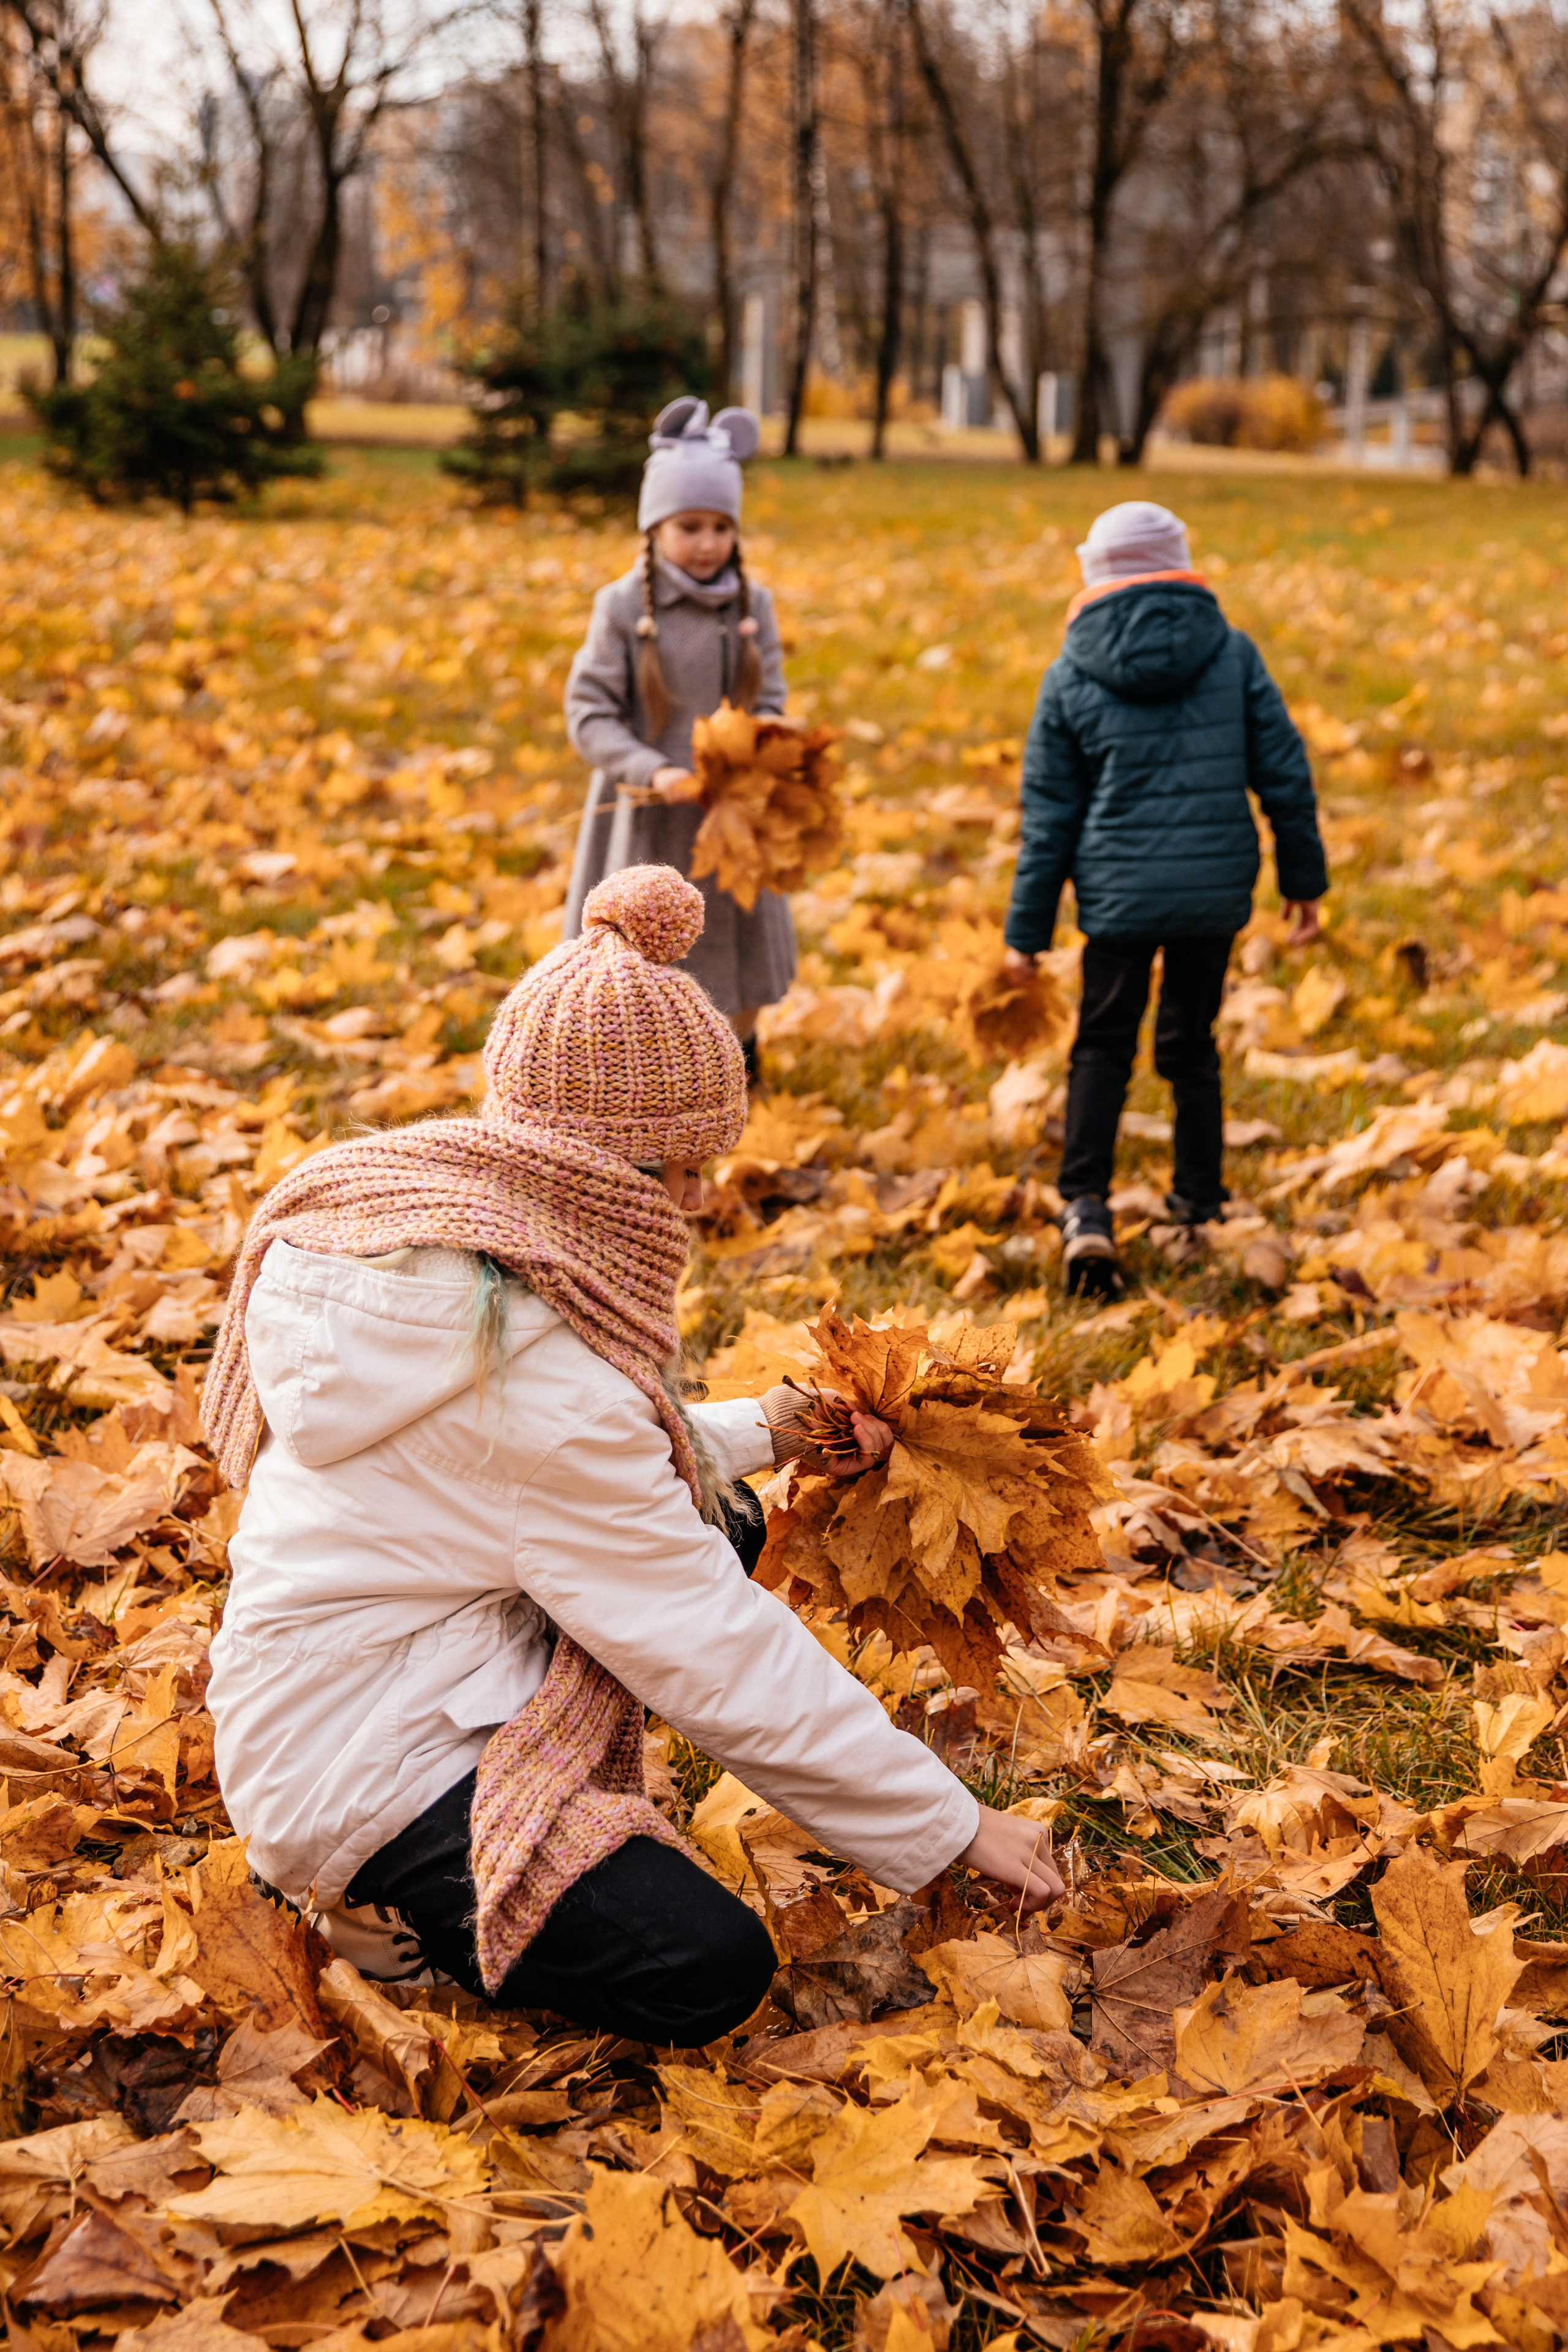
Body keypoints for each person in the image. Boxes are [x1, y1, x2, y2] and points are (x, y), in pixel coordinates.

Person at [203, 864, 1061, 2048]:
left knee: (721, 1517)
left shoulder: (443, 1245)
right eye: (683, 1166)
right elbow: (709, 1647)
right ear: (598, 1167)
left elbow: (572, 1474)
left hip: (360, 1664)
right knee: (702, 1968)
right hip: (358, 1768)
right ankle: (377, 1904)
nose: (703, 1198)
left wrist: (772, 1426)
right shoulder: (537, 1392)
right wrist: (952, 1825)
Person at [1003, 500, 1328, 1302]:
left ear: (1095, 575)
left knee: (1102, 1046)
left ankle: (1085, 1208)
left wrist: (1027, 932)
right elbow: (1285, 773)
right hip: (1213, 894)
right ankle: (1198, 1205)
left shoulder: (1069, 673)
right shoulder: (1233, 653)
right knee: (1191, 1044)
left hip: (1117, 899)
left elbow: (1049, 818)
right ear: (1181, 566)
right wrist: (1303, 881)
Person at [562, 398, 795, 1083]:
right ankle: (639, 1079)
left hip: (730, 812)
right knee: (644, 958)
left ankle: (735, 1064)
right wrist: (650, 770)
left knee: (737, 950)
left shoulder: (753, 607)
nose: (706, 542)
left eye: (720, 526)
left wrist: (754, 757)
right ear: (654, 526)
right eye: (689, 526)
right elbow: (589, 712)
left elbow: (772, 701)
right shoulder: (623, 607)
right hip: (646, 819)